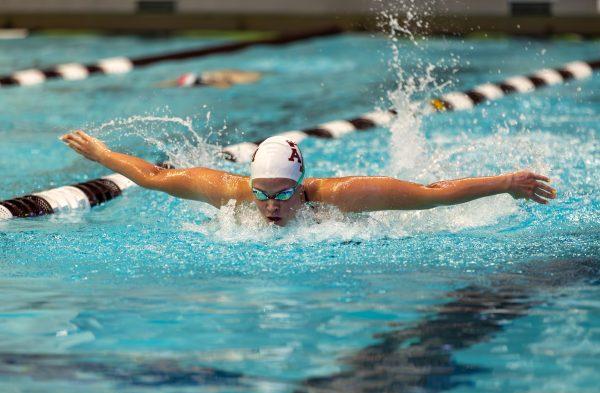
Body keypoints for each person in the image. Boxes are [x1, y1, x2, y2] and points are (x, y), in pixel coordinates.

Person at [60, 131, 557, 227]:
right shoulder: (230, 194)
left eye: (282, 195)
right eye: (262, 194)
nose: (271, 206)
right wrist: (102, 152)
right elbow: (150, 176)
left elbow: (433, 197)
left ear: (302, 186)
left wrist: (507, 182)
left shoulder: (345, 196)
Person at [157, 70, 262, 89]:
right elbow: (224, 86)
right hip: (200, 80)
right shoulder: (234, 77)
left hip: (198, 79)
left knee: (171, 84)